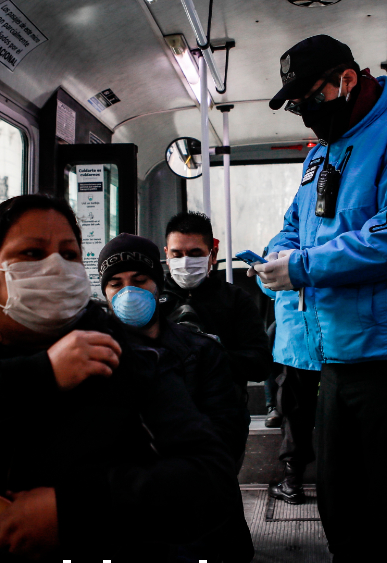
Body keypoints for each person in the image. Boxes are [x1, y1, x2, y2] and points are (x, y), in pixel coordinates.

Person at [0, 195, 237, 562]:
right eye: (32, 254)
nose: (55, 268)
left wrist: (70, 510)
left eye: (68, 255)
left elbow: (208, 481)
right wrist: (41, 373)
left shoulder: (125, 359)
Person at [253, 34, 387, 561]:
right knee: (339, 503)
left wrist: (303, 267)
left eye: (309, 99)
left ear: (346, 80)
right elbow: (292, 227)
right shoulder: (322, 157)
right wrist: (279, 256)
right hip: (339, 354)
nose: (305, 112)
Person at [97, 233, 253, 563]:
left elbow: (224, 443)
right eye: (116, 284)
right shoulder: (93, 355)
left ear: (158, 283)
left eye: (140, 280)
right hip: (124, 530)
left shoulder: (202, 351)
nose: (129, 292)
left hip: (204, 525)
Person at [159, 211, 273, 389]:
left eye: (195, 254)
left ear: (213, 254)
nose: (186, 262)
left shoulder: (235, 300)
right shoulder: (153, 299)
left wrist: (211, 353)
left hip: (223, 409)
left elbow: (260, 365)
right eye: (177, 255)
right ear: (167, 255)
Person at [258, 269, 322, 505]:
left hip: (297, 342)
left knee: (295, 414)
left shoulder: (283, 242)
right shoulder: (341, 235)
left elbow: (267, 285)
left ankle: (292, 483)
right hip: (337, 340)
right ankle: (342, 482)